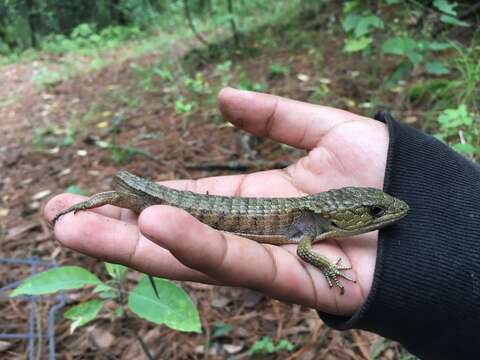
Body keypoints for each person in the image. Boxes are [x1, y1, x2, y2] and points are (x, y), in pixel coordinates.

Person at [44, 87, 480, 359]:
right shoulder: (312, 227)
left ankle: (102, 198)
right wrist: (330, 268)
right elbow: (308, 252)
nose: (385, 215)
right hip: (195, 207)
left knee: (148, 203)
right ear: (342, 212)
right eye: (373, 213)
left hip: (200, 205)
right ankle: (94, 201)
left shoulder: (319, 219)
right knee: (142, 201)